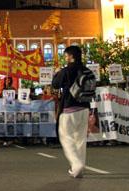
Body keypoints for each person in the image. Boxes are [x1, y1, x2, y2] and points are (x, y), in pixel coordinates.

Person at [51, 46, 92, 178]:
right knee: (80, 139)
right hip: (84, 108)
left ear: (71, 56)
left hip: (69, 109)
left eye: (66, 55)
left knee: (66, 137)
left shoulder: (67, 70)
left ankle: (76, 164)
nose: (65, 58)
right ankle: (79, 168)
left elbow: (55, 84)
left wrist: (57, 73)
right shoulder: (87, 70)